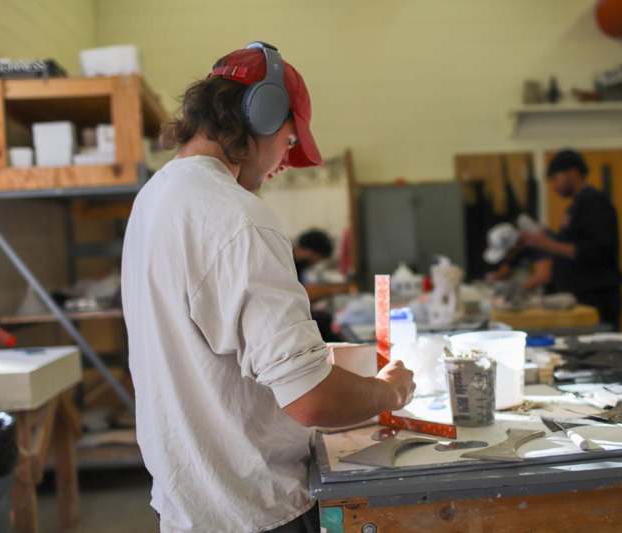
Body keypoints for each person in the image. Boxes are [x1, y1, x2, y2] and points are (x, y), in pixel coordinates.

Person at [121, 43, 415, 533]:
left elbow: (209, 347)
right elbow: (311, 402)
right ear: (263, 114)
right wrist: (388, 392)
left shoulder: (156, 198)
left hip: (190, 503)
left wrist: (311, 358)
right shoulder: (239, 219)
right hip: (254, 508)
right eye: (290, 140)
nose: (285, 161)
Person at [520, 149, 622, 329]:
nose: (554, 186)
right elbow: (573, 242)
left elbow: (597, 250)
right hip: (581, 294)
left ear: (572, 172)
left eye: (555, 178)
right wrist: (547, 238)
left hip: (596, 296)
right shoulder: (577, 205)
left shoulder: (594, 202)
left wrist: (547, 244)